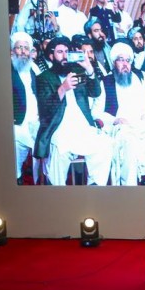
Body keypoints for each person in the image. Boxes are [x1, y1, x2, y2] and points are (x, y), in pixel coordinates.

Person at [34, 36, 111, 186]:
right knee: (59, 147)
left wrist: (89, 69)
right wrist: (62, 88)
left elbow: (95, 92)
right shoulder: (44, 78)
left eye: (67, 52)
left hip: (82, 125)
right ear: (51, 56)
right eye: (60, 52)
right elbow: (45, 110)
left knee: (104, 144)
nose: (64, 56)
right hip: (58, 126)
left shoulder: (78, 72)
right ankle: (57, 192)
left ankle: (94, 186)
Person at [93, 41, 145, 186]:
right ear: (114, 62)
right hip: (121, 128)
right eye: (120, 60)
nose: (125, 64)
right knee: (130, 144)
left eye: (128, 60)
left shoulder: (142, 77)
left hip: (142, 124)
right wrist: (115, 120)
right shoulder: (105, 81)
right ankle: (130, 188)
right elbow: (95, 112)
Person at [11, 32, 41, 185]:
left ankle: (39, 184)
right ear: (12, 51)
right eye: (19, 48)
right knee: (15, 154)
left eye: (26, 48)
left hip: (36, 121)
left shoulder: (34, 69)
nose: (23, 51)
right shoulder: (7, 70)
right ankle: (17, 179)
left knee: (42, 151)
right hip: (17, 124)